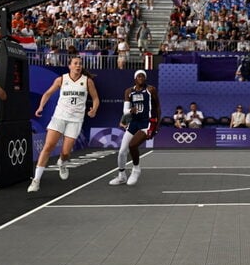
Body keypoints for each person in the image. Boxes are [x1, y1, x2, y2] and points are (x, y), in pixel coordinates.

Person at [29, 55, 100, 192]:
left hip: (75, 120)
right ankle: (36, 180)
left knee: (66, 152)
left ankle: (62, 163)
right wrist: (40, 107)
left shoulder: (87, 81)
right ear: (70, 66)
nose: (78, 66)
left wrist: (94, 109)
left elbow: (96, 99)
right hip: (59, 117)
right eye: (75, 63)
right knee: (48, 146)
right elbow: (47, 93)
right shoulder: (61, 79)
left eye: (80, 63)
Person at [109, 70, 160, 186]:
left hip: (146, 122)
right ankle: (121, 176)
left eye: (143, 76)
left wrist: (157, 125)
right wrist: (129, 113)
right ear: (135, 78)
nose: (141, 78)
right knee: (122, 152)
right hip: (134, 122)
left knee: (132, 145)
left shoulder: (151, 90)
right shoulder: (129, 91)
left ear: (145, 78)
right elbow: (125, 111)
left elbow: (157, 108)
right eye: (138, 76)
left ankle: (136, 169)